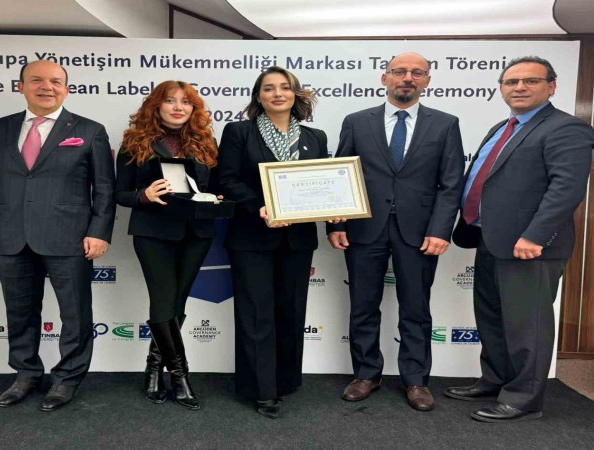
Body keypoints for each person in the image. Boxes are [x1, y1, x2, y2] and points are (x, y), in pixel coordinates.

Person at [448, 56, 594, 423]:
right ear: (501, 89)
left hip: (530, 247)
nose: (519, 87)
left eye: (531, 81)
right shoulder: (502, 127)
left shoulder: (567, 128)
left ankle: (524, 399)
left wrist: (535, 235)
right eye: (511, 82)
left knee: (527, 325)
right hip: (489, 237)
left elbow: (566, 188)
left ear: (551, 87)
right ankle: (495, 381)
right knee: (493, 317)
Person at [327, 52, 465, 411]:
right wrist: (337, 222)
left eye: (417, 72)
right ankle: (366, 374)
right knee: (363, 305)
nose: (408, 78)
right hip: (363, 228)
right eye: (400, 71)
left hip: (420, 232)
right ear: (384, 78)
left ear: (427, 81)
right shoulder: (357, 122)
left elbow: (451, 183)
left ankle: (416, 380)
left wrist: (441, 230)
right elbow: (341, 174)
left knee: (416, 308)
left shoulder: (445, 124)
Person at [0, 60, 115, 412]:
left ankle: (67, 377)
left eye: (56, 81)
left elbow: (104, 188)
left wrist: (99, 232)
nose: (47, 87)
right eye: (36, 80)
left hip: (69, 236)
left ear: (66, 89)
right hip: (11, 234)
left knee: (75, 314)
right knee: (19, 312)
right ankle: (26, 373)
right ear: (21, 86)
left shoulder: (89, 130)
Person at [218, 66, 336, 419]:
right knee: (256, 313)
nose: (277, 93)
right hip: (252, 236)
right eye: (269, 88)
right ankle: (261, 389)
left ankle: (285, 380)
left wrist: (336, 209)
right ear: (259, 96)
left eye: (285, 87)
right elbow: (226, 179)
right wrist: (260, 206)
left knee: (291, 310)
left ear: (296, 94)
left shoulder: (315, 137)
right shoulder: (239, 132)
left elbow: (323, 183)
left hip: (298, 238)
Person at [115, 80, 219, 410]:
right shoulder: (134, 142)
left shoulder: (206, 142)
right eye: (170, 101)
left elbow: (216, 187)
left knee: (176, 303)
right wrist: (143, 195)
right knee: (163, 302)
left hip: (196, 233)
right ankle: (180, 376)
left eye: (185, 102)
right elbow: (120, 193)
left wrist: (215, 197)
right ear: (156, 106)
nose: (178, 107)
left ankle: (152, 368)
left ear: (193, 109)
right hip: (153, 233)